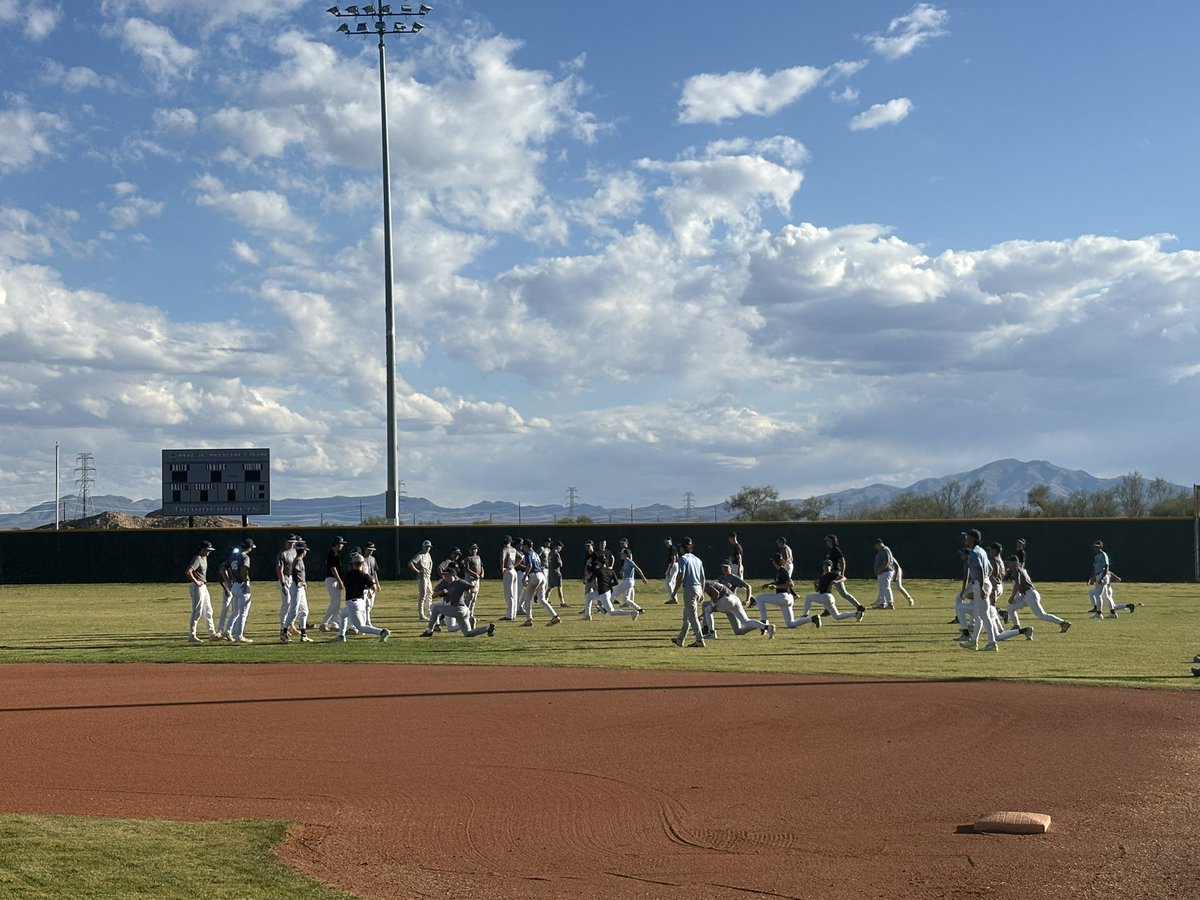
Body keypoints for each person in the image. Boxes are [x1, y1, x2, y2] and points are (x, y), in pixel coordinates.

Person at [421, 567, 495, 638]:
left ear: (451, 574)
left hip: (458, 608)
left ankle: (429, 631)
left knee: (436, 608)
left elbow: (474, 588)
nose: (444, 576)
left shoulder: (459, 582)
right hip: (461, 611)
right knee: (468, 633)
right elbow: (434, 595)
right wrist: (442, 592)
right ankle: (488, 628)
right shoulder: (448, 584)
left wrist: (471, 590)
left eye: (446, 574)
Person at [1003, 555, 1070, 633]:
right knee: (1010, 607)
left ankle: (1063, 623)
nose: (1008, 564)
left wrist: (1012, 597)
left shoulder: (1016, 570)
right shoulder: (1022, 569)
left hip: (1029, 594)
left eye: (1009, 562)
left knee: (1041, 615)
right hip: (1027, 595)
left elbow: (1017, 584)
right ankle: (1016, 626)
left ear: (1014, 563)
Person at [334, 553, 390, 642]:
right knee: (343, 614)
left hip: (353, 603)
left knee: (361, 627)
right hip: (360, 602)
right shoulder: (365, 575)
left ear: (352, 564)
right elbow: (374, 587)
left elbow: (346, 585)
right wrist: (366, 589)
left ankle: (382, 632)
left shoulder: (349, 574)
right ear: (363, 563)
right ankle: (341, 636)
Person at [756, 553, 821, 630]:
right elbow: (780, 582)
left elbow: (790, 584)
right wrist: (769, 584)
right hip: (787, 598)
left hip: (783, 597)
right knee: (791, 624)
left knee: (759, 597)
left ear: (774, 562)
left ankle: (764, 621)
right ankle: (813, 619)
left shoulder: (782, 571)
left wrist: (776, 586)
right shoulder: (780, 571)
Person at [701, 579, 772, 639]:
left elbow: (715, 593)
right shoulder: (711, 583)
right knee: (746, 621)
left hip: (726, 600)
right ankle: (766, 626)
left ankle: (711, 633)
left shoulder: (705, 584)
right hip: (735, 599)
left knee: (708, 610)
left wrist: (713, 605)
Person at [671, 537, 707, 647]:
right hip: (698, 588)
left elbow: (680, 576)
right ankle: (680, 639)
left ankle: (700, 640)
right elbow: (703, 577)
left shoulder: (682, 559)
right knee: (687, 615)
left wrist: (674, 591)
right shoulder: (698, 559)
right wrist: (702, 591)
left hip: (690, 589)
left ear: (682, 548)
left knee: (692, 616)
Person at [581, 556, 640, 621]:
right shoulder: (611, 571)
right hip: (607, 592)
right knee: (588, 596)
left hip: (603, 594)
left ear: (599, 563)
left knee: (612, 612)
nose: (597, 563)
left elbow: (590, 580)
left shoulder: (597, 570)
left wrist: (586, 577)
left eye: (597, 562)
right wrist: (608, 585)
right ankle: (587, 615)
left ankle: (632, 613)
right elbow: (616, 582)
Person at [517, 537, 559, 626]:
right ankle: (555, 616)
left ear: (526, 545)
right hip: (541, 575)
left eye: (523, 545)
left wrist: (525, 576)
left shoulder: (528, 553)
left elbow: (530, 565)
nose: (522, 547)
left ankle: (529, 619)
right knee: (542, 600)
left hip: (534, 575)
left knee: (528, 599)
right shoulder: (535, 553)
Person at [1088, 540, 1135, 619]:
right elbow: (1095, 568)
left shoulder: (1103, 555)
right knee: (1106, 596)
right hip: (1099, 575)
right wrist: (1092, 578)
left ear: (1100, 547)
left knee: (1098, 595)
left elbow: (1106, 567)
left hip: (1102, 575)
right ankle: (1113, 613)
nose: (1095, 548)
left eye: (1096, 547)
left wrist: (1102, 577)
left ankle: (1099, 614)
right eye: (1094, 547)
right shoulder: (1096, 556)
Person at [185, 540, 219, 643]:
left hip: (203, 586)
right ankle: (192, 635)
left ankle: (212, 633)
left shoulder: (204, 558)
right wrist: (196, 582)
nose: (209, 552)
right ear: (202, 549)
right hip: (197, 587)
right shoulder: (198, 558)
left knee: (209, 610)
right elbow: (188, 572)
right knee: (197, 611)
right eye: (208, 550)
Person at [281, 540, 314, 642]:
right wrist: (299, 582)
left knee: (304, 611)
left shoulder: (298, 559)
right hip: (297, 587)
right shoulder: (298, 560)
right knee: (293, 611)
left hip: (300, 588)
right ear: (303, 551)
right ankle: (284, 633)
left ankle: (303, 635)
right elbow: (295, 571)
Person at [226, 538, 256, 644]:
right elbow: (244, 570)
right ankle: (239, 636)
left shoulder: (233, 556)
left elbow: (222, 569)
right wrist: (245, 581)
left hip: (234, 585)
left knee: (235, 612)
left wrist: (228, 582)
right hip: (241, 585)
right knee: (243, 613)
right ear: (249, 548)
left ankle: (228, 631)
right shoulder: (245, 557)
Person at [823, 534, 863, 612]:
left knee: (843, 593)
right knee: (826, 592)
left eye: (828, 541)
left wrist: (842, 573)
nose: (827, 542)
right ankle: (827, 610)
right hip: (830, 574)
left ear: (831, 541)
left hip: (835, 573)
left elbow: (842, 561)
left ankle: (859, 606)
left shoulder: (835, 550)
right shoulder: (830, 550)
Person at [319, 536, 347, 632]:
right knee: (334, 603)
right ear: (337, 544)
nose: (342, 546)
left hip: (334, 580)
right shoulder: (332, 554)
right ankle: (324, 623)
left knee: (337, 603)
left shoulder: (335, 553)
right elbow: (333, 568)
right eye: (341, 544)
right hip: (332, 580)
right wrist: (339, 581)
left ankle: (334, 623)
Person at [609, 548, 647, 613]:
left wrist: (643, 578)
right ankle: (640, 609)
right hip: (627, 581)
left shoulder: (630, 562)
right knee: (626, 599)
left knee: (614, 593)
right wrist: (622, 572)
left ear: (626, 555)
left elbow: (638, 569)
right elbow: (623, 571)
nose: (621, 555)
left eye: (622, 554)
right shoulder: (625, 562)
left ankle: (606, 608)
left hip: (628, 581)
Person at [275, 534, 298, 635]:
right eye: (290, 542)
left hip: (293, 578)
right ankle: (283, 627)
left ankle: (291, 625)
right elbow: (279, 569)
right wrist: (283, 584)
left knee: (294, 603)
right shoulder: (282, 554)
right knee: (286, 603)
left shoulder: (294, 551)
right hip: (285, 578)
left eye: (293, 543)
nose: (292, 544)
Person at [408, 539, 435, 621]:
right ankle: (421, 614)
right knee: (422, 595)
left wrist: (430, 570)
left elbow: (431, 562)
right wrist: (418, 571)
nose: (428, 548)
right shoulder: (419, 555)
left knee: (429, 594)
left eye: (429, 547)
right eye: (426, 547)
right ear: (423, 547)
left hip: (427, 576)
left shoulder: (428, 555)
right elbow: (410, 563)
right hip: (422, 577)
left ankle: (429, 613)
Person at [499, 535, 520, 620]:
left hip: (508, 571)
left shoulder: (505, 549)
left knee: (509, 594)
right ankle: (513, 614)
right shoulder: (513, 549)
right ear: (510, 541)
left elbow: (502, 559)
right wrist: (514, 565)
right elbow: (520, 557)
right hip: (513, 571)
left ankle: (509, 616)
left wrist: (502, 570)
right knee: (514, 594)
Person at [871, 538, 895, 610]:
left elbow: (886, 561)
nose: (876, 547)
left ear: (879, 544)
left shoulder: (885, 549)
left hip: (886, 571)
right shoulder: (882, 550)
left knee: (886, 587)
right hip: (883, 572)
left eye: (876, 546)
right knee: (882, 588)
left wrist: (880, 570)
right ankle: (882, 603)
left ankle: (890, 603)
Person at [361, 542, 380, 627]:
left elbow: (375, 571)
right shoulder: (362, 559)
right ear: (365, 549)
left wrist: (377, 583)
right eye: (369, 550)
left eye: (372, 550)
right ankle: (367, 621)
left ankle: (366, 620)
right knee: (366, 603)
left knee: (371, 604)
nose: (370, 552)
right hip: (365, 581)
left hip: (372, 581)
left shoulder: (373, 559)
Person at [545, 539, 566, 608]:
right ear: (558, 546)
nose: (560, 549)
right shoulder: (556, 554)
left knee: (550, 587)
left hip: (551, 572)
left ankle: (545, 600)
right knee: (559, 587)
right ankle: (562, 602)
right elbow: (560, 564)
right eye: (560, 548)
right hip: (557, 572)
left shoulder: (550, 553)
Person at [663, 538, 680, 604]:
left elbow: (674, 559)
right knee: (672, 583)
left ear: (671, 542)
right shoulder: (673, 548)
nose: (666, 544)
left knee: (668, 582)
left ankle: (672, 598)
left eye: (668, 542)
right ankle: (674, 598)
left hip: (673, 565)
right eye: (665, 542)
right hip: (675, 565)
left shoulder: (671, 548)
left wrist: (669, 569)